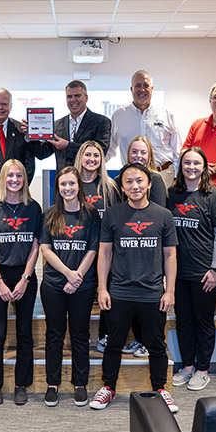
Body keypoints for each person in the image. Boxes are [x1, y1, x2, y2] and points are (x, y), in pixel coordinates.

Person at [91, 163, 178, 413]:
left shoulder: (163, 215)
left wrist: (169, 290)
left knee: (156, 344)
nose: (135, 186)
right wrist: (103, 289)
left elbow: (170, 256)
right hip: (119, 292)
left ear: (149, 183)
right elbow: (104, 253)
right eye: (129, 181)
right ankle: (108, 387)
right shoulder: (112, 214)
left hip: (152, 293)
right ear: (122, 186)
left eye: (139, 181)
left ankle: (161, 389)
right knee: (113, 344)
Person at [0, 160, 42, 405]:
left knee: (24, 333)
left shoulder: (34, 208)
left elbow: (36, 246)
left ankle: (21, 384)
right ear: (3, 178)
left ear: (24, 179)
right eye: (10, 175)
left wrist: (26, 278)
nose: (14, 180)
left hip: (25, 276)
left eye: (18, 175)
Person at [167, 147, 216, 391]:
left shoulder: (213, 195)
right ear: (181, 166)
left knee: (203, 322)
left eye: (196, 163)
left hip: (205, 272)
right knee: (183, 321)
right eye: (187, 163)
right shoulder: (172, 193)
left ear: (204, 167)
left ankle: (203, 370)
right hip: (178, 272)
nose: (191, 167)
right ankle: (188, 367)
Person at [39, 167, 100, 407]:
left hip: (82, 286)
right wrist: (67, 274)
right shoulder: (50, 214)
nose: (67, 188)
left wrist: (78, 278)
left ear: (79, 186)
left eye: (72, 184)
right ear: (58, 188)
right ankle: (52, 384)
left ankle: (80, 383)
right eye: (63, 184)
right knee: (54, 334)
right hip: (54, 284)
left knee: (80, 334)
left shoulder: (91, 214)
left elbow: (93, 248)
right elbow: (45, 249)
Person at [113, 135, 167, 357]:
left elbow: (158, 219)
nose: (138, 156)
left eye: (143, 152)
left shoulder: (156, 179)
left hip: (149, 249)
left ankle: (146, 341)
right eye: (134, 152)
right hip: (127, 249)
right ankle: (137, 339)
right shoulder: (120, 179)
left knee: (147, 303)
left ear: (149, 154)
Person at [74, 142, 119, 352]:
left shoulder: (109, 187)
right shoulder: (71, 184)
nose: (92, 159)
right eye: (88, 155)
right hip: (79, 252)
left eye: (96, 155)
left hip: (104, 252)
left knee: (106, 293)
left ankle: (104, 336)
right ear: (80, 157)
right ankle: (78, 338)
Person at [108, 70, 181, 186]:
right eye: (138, 86)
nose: (142, 89)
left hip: (164, 175)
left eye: (146, 85)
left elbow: (177, 150)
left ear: (152, 89)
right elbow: (110, 148)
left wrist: (176, 177)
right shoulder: (119, 116)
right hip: (132, 177)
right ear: (131, 89)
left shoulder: (166, 114)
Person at [36, 80, 111, 170]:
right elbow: (43, 153)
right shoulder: (56, 125)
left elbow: (100, 151)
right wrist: (29, 135)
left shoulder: (101, 122)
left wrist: (68, 146)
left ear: (86, 98)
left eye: (77, 95)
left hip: (89, 181)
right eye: (69, 96)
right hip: (64, 181)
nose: (73, 100)